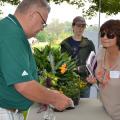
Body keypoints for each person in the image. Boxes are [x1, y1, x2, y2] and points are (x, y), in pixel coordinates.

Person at [0, 0, 72, 119]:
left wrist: (45, 93)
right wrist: (55, 99)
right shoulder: (12, 35)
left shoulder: (11, 29)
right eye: (43, 23)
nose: (42, 28)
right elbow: (24, 85)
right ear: (33, 14)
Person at [87, 19, 120, 120]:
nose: (104, 38)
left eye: (110, 35)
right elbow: (102, 78)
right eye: (102, 34)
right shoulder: (101, 51)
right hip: (104, 110)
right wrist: (95, 80)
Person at [60, 16, 95, 98]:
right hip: (69, 82)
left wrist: (80, 69)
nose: (81, 28)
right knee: (70, 107)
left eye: (83, 26)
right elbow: (62, 63)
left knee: (84, 107)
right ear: (73, 26)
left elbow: (93, 63)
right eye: (78, 25)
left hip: (84, 82)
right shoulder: (65, 44)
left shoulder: (89, 44)